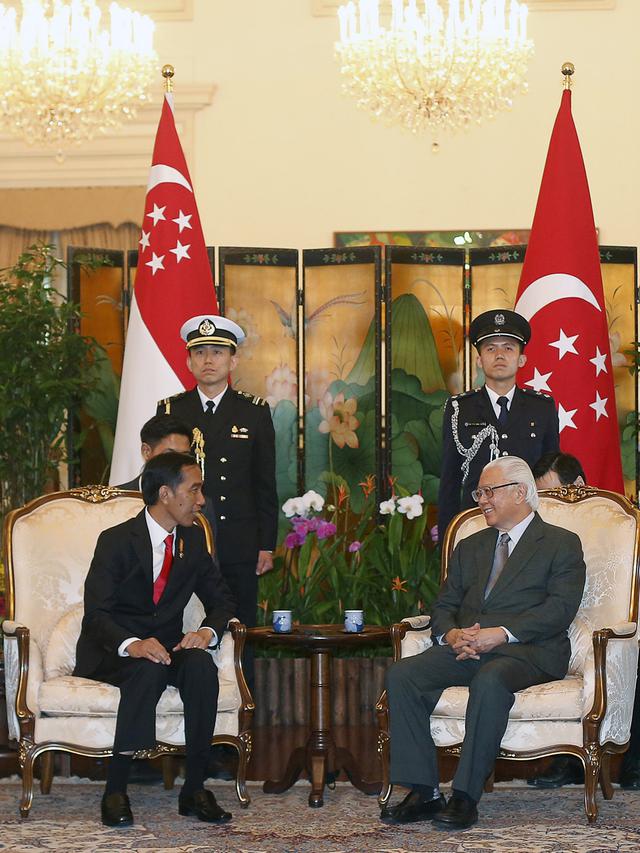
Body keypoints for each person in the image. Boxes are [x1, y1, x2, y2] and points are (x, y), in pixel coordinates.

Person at [382, 455, 585, 829]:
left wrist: (502, 633)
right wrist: (451, 634)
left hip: (529, 652)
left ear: (521, 492)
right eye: (479, 492)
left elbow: (560, 609)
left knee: (490, 679)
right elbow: (443, 606)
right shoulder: (471, 545)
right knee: (402, 675)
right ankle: (424, 792)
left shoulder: (561, 543)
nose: (482, 499)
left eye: (489, 491)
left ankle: (465, 796)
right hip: (468, 648)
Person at [74, 451, 237, 827]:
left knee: (200, 667)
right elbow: (96, 614)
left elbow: (222, 600)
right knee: (146, 670)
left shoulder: (192, 542)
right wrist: (133, 643)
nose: (201, 500)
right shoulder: (115, 541)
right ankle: (115, 790)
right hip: (115, 651)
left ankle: (194, 789)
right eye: (194, 490)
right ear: (165, 493)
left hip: (168, 647)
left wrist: (206, 632)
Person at [157, 314, 278, 689]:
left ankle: (241, 708)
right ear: (189, 362)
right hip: (184, 539)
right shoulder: (171, 411)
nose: (208, 360)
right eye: (200, 353)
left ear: (233, 361)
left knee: (240, 627)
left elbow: (264, 484)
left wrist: (266, 544)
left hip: (239, 542)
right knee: (180, 620)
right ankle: (179, 703)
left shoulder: (253, 411)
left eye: (217, 352)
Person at [528, 451, 640, 790]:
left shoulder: (620, 522)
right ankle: (568, 763)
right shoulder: (541, 533)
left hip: (619, 626)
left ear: (576, 486)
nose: (545, 503)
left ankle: (633, 764)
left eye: (549, 493)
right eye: (539, 496)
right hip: (564, 625)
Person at [437, 309, 560, 544]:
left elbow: (548, 475)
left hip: (528, 525)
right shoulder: (459, 408)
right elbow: (450, 480)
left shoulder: (541, 408)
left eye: (508, 348)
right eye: (491, 349)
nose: (500, 355)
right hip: (475, 522)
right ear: (479, 360)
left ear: (521, 359)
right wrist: (448, 538)